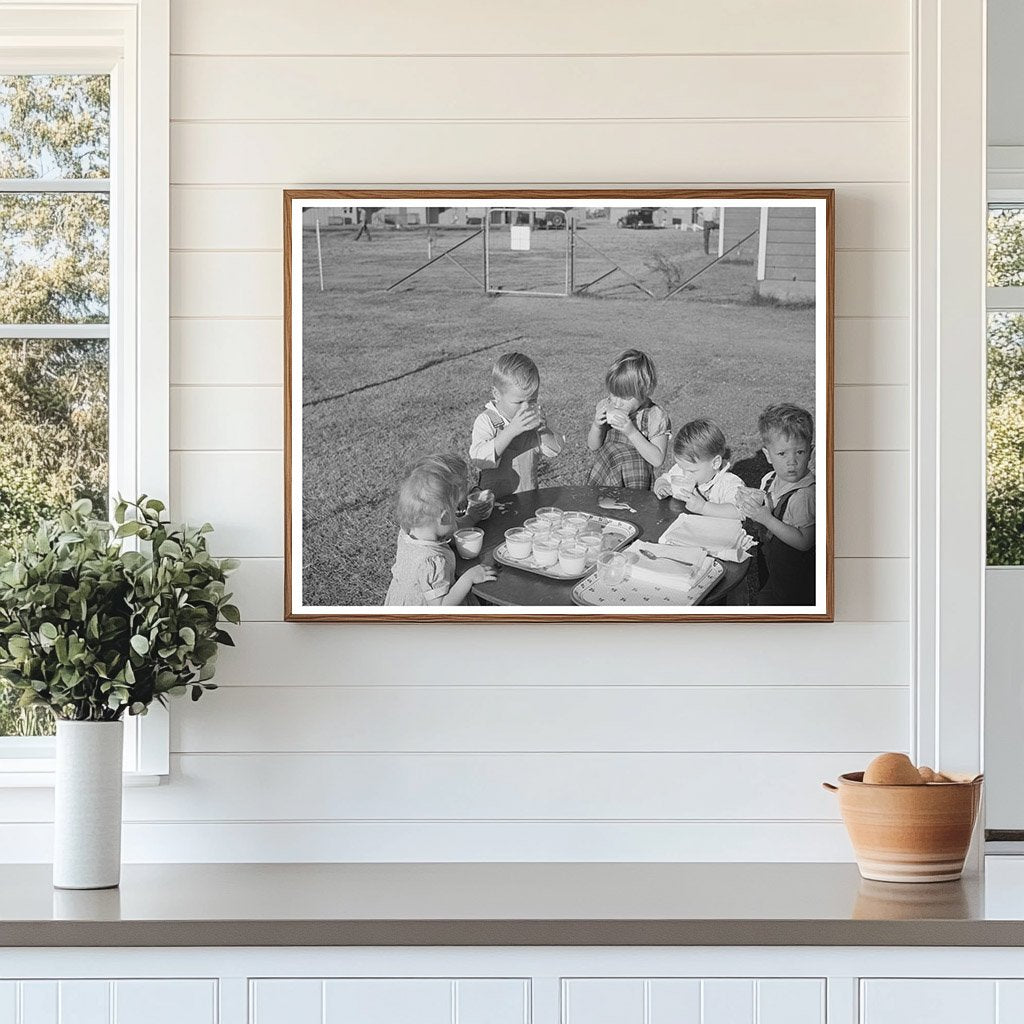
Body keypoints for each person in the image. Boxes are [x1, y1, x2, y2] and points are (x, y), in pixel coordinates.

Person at [384, 454, 496, 606]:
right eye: (454, 510)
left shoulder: (409, 532)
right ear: (444, 517)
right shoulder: (433, 561)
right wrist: (468, 578)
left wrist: (471, 517)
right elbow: (441, 607)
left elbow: (455, 526)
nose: (456, 515)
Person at [735, 403, 816, 606]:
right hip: (774, 570)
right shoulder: (770, 478)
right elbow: (771, 505)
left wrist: (766, 518)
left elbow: (804, 542)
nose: (792, 462)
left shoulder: (804, 495)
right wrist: (754, 500)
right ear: (768, 455)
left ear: (811, 452)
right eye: (782, 454)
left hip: (796, 582)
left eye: (799, 452)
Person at [469, 352, 562, 498]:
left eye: (532, 400)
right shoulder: (487, 420)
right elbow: (479, 460)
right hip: (493, 502)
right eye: (518, 402)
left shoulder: (536, 422)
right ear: (497, 394)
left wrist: (544, 430)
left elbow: (555, 450)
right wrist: (511, 430)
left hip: (528, 498)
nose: (525, 408)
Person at [587, 349, 671, 490]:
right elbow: (593, 446)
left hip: (634, 481)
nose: (617, 403)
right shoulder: (607, 405)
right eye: (614, 394)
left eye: (625, 397)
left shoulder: (655, 416)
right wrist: (597, 426)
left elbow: (657, 460)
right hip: (606, 474)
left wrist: (631, 432)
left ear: (645, 391)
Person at [653, 418, 744, 519]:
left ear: (715, 463)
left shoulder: (728, 483)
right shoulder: (683, 470)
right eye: (681, 467)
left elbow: (738, 512)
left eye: (692, 471)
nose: (685, 474)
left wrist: (703, 507)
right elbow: (662, 479)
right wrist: (662, 486)